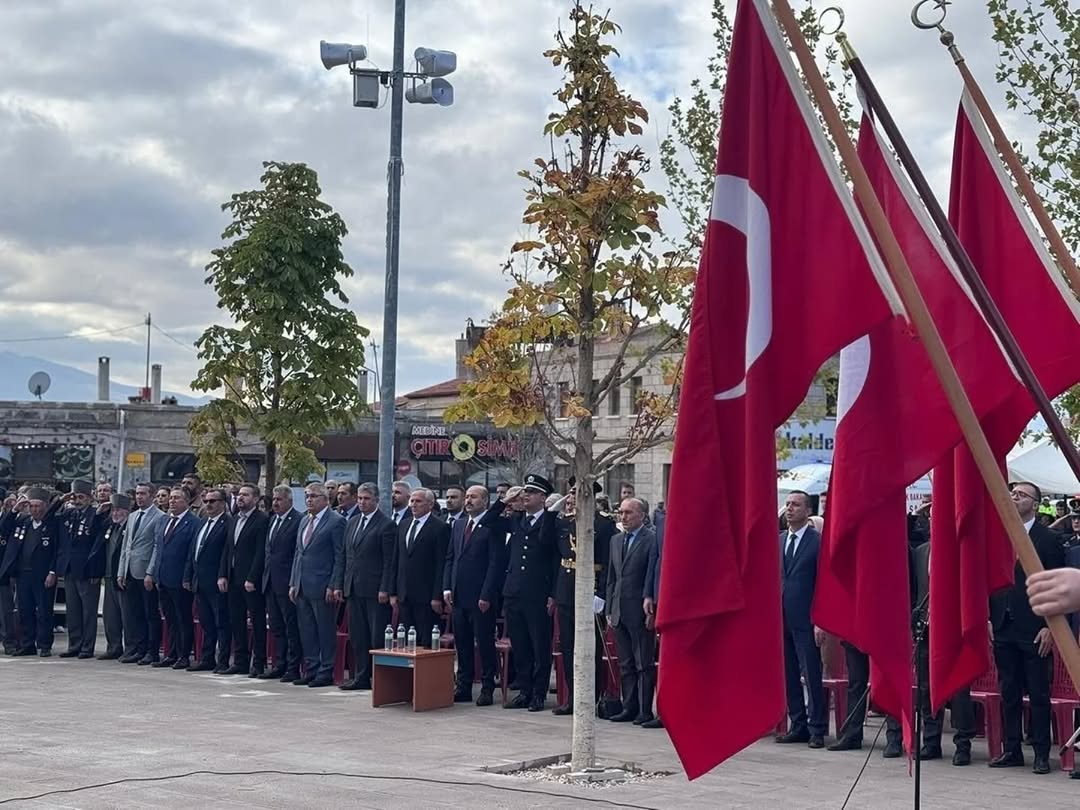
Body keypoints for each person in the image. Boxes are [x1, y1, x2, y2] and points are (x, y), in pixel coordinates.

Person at [989, 481, 1065, 775]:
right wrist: (987, 617)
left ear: (1035, 503)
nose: (1013, 497)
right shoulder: (1000, 534)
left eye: (1020, 495)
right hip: (1003, 624)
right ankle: (1011, 748)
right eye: (1011, 493)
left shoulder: (1048, 539)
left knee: (1038, 693)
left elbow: (1057, 585)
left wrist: (1050, 626)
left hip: (1034, 627)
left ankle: (1042, 753)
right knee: (1008, 691)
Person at [552, 482, 614, 717]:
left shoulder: (604, 524)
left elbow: (609, 562)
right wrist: (558, 503)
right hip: (567, 588)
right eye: (571, 493)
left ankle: (594, 696)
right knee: (568, 647)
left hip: (592, 585)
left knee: (592, 648)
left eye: (578, 493)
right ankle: (573, 698)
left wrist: (602, 595)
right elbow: (546, 531)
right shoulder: (565, 521)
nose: (573, 497)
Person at [501, 474, 559, 712]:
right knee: (521, 645)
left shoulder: (550, 521)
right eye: (524, 492)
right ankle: (524, 690)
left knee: (539, 646)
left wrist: (553, 593)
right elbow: (489, 522)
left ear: (543, 498)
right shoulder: (516, 519)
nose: (525, 496)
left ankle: (538, 693)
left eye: (531, 492)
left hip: (538, 592)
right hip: (514, 591)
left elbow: (555, 558)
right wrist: (506, 500)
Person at [443, 485, 505, 706]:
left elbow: (494, 563)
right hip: (459, 595)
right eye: (467, 497)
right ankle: (464, 686)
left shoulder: (491, 527)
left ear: (485, 501)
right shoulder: (459, 525)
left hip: (481, 597)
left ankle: (488, 687)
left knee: (485, 643)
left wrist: (487, 594)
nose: (468, 501)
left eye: (474, 497)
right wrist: (447, 588)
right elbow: (451, 558)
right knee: (463, 643)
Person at [776, 490, 827, 748]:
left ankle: (817, 727)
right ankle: (798, 725)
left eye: (795, 505)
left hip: (806, 618)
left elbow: (823, 583)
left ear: (808, 511)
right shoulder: (779, 540)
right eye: (787, 504)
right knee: (789, 674)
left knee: (811, 673)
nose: (789, 509)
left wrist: (820, 619)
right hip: (781, 617)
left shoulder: (817, 542)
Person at [335, 482, 396, 691]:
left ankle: (379, 678)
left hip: (375, 590)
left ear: (376, 500)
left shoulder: (386, 525)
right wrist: (340, 584)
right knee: (358, 636)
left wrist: (385, 588)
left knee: (376, 635)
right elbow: (345, 556)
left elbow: (389, 561)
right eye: (360, 498)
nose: (362, 502)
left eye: (366, 499)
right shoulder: (351, 523)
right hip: (353, 587)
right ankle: (360, 676)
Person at [606, 498, 657, 725]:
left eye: (628, 513)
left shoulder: (651, 539)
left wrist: (651, 604)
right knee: (625, 663)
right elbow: (611, 578)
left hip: (639, 608)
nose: (623, 517)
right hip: (618, 609)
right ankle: (629, 706)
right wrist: (609, 607)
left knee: (642, 662)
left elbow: (651, 574)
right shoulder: (616, 541)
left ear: (642, 515)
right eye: (621, 512)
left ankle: (645, 710)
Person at [289, 482, 345, 687]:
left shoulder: (336, 521)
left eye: (313, 496)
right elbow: (298, 554)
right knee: (307, 629)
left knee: (324, 630)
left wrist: (334, 584)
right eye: (306, 496)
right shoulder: (304, 521)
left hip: (323, 585)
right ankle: (311, 668)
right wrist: (294, 582)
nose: (309, 500)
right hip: (302, 584)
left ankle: (326, 669)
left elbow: (340, 556)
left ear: (325, 499)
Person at [0, 487, 62, 656]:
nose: (35, 510)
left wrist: (52, 571)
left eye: (38, 506)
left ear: (45, 507)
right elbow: (4, 528)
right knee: (24, 611)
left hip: (43, 575)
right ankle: (27, 644)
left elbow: (58, 550)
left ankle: (44, 645)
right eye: (32, 506)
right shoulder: (23, 521)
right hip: (23, 574)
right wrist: (14, 509)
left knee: (43, 611)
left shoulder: (51, 524)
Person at [218, 483, 269, 676]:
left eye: (246, 495)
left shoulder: (261, 520)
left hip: (250, 581)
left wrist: (252, 577)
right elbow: (228, 549)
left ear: (255, 499)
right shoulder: (233, 520)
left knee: (256, 622)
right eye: (239, 495)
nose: (240, 498)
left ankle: (259, 663)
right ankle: (240, 661)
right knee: (236, 621)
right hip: (232, 578)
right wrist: (223, 574)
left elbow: (260, 553)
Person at [391, 488, 450, 650]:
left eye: (418, 501)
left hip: (426, 596)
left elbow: (441, 564)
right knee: (407, 640)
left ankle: (426, 675)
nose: (413, 505)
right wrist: (393, 592)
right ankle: (408, 674)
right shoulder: (403, 525)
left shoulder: (440, 528)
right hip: (404, 594)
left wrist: (436, 596)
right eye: (412, 501)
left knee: (426, 641)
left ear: (430, 504)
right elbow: (396, 559)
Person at [147, 487, 199, 670]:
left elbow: (190, 554)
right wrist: (153, 573)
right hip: (163, 577)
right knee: (169, 618)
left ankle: (184, 655)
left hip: (180, 579)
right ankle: (172, 653)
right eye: (171, 498)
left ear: (186, 501)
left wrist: (187, 577)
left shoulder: (193, 523)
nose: (172, 501)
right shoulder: (164, 521)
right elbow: (158, 549)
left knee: (183, 618)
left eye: (177, 498)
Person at [56, 479, 108, 658]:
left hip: (87, 570)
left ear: (89, 497)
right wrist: (62, 500)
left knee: (88, 611)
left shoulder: (96, 514)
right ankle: (74, 644)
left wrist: (95, 571)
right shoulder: (70, 514)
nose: (77, 500)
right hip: (70, 569)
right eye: (75, 497)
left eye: (81, 497)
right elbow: (49, 518)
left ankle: (87, 647)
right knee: (73, 610)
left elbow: (97, 543)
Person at [183, 487, 232, 673]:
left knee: (221, 623)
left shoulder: (228, 523)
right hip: (199, 581)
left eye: (213, 501)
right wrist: (188, 575)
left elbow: (226, 554)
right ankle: (207, 657)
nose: (209, 504)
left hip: (216, 581)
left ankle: (223, 660)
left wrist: (222, 575)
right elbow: (193, 551)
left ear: (223, 503)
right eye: (207, 501)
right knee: (206, 622)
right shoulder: (203, 522)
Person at [118, 483, 166, 665]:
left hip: (145, 572)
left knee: (150, 613)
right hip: (130, 570)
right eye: (137, 494)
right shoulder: (132, 516)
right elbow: (126, 546)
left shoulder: (160, 517)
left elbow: (156, 546)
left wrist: (150, 573)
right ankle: (138, 648)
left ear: (152, 495)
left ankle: (151, 651)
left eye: (143, 494)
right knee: (135, 613)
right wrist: (121, 571)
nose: (139, 497)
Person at [260, 485, 302, 682]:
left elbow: (297, 554)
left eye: (279, 499)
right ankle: (279, 663)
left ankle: (293, 667)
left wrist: (293, 581)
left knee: (290, 627)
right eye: (274, 499)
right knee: (276, 626)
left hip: (286, 583)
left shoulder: (298, 521)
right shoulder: (272, 521)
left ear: (290, 501)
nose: (275, 503)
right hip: (270, 581)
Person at [97, 493, 129, 660]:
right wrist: (101, 511)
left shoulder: (129, 527)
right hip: (109, 576)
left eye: (119, 510)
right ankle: (113, 647)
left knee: (126, 614)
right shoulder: (110, 526)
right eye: (113, 510)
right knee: (110, 616)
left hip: (123, 577)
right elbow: (95, 527)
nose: (115, 514)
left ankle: (130, 648)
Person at [642, 510, 664, 729]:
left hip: (687, 600)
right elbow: (655, 558)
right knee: (663, 659)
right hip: (661, 598)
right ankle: (664, 711)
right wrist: (649, 593)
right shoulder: (662, 520)